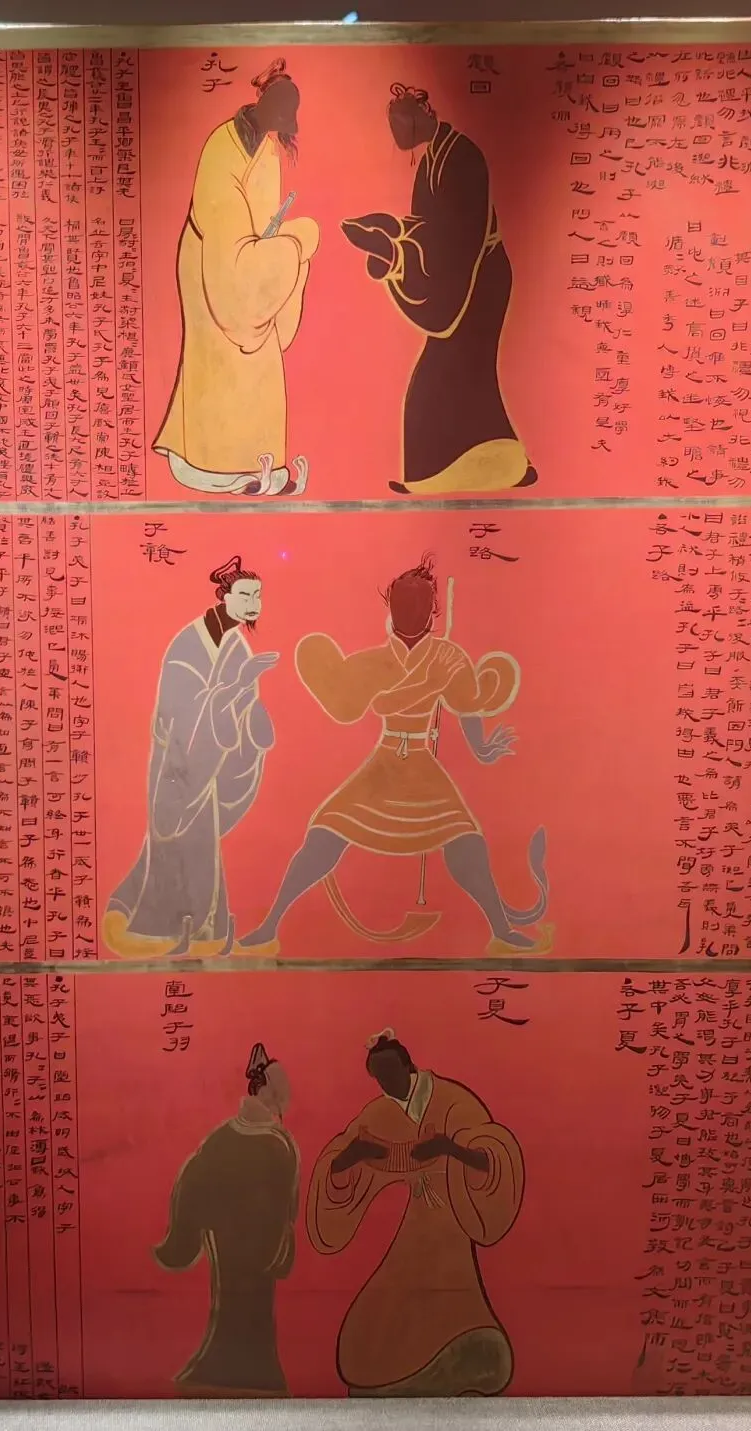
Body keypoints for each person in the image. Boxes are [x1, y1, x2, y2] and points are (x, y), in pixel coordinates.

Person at [238, 555, 549, 955]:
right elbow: (360, 704)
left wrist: (480, 747)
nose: (409, 617)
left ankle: (501, 928)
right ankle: (270, 924)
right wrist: (435, 696)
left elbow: (466, 703)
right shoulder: (383, 661)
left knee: (467, 846)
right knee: (323, 836)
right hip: (383, 765)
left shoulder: (445, 658)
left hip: (420, 765)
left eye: (413, 609)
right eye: (403, 609)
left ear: (427, 614)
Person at [341, 85, 536, 496]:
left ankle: (448, 472)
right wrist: (391, 230)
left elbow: (459, 239)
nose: (396, 135)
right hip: (460, 274)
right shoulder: (431, 160)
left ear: (422, 115)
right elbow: (427, 229)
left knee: (445, 375)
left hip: (478, 277)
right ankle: (508, 464)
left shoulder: (463, 156)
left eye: (400, 124)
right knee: (468, 376)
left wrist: (393, 253)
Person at [306, 1031, 523, 1397]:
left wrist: (450, 1148)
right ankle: (385, 1371)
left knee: (453, 1300)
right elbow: (340, 1160)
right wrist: (351, 1157)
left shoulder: (453, 1102)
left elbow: (493, 1155)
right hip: (409, 1225)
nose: (386, 1084)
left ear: (408, 1065)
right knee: (383, 1308)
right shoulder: (379, 1113)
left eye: (390, 1073)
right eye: (379, 1078)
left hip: (450, 1225)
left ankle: (467, 1355)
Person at [154, 59, 320, 496]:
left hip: (253, 263)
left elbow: (262, 225)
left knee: (261, 360)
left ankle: (258, 462)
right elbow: (224, 235)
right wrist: (294, 244)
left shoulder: (267, 152)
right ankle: (207, 464)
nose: (287, 124)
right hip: (213, 262)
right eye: (284, 113)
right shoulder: (222, 147)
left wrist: (274, 254)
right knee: (216, 361)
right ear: (266, 104)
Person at [102, 558, 278, 958]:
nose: (254, 604)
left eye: (258, 596)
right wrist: (235, 687)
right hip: (179, 764)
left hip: (210, 763)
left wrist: (245, 702)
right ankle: (171, 927)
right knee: (181, 843)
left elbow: (241, 704)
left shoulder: (236, 644)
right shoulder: (187, 646)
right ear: (224, 596)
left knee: (201, 844)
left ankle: (200, 927)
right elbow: (184, 711)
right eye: (245, 595)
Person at [155, 1044, 299, 1396]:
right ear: (264, 1093)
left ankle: (240, 1369)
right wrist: (278, 1245)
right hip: (252, 1243)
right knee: (241, 1302)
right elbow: (286, 1204)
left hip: (235, 1241)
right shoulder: (277, 1143)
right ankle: (244, 1371)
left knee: (242, 1304)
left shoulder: (226, 1136)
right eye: (277, 1095)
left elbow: (193, 1181)